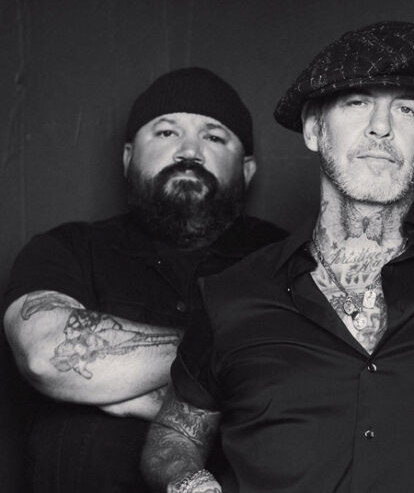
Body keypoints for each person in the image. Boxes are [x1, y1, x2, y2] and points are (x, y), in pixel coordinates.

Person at [141, 21, 414, 493]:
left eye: (405, 109)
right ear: (313, 128)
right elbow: (174, 433)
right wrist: (191, 483)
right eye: (357, 102)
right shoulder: (231, 294)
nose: (381, 127)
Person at [2, 67, 288, 493]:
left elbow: (314, 385)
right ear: (127, 156)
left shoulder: (288, 259)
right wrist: (224, 373)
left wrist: (111, 383)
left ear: (247, 170)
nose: (189, 151)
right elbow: (46, 353)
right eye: (166, 132)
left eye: (214, 137)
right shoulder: (70, 248)